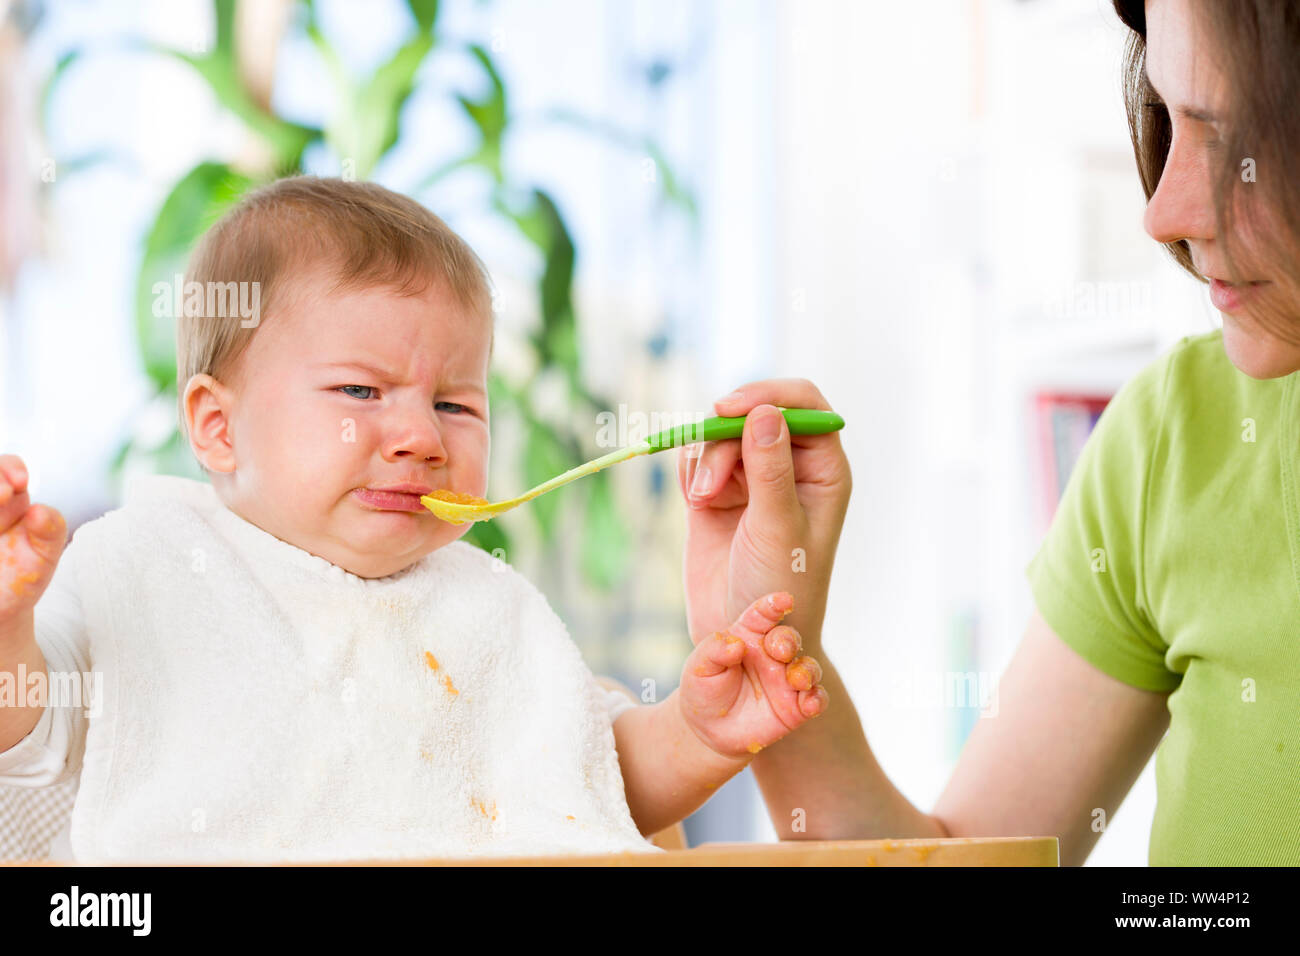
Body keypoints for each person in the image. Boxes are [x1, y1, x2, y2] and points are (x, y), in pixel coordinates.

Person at [0, 176, 828, 862]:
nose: (423, 438)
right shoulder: (147, 564)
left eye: (455, 404)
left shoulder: (483, 603)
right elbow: (28, 740)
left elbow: (591, 785)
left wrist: (697, 732)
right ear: (218, 426)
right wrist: (7, 619)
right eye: (361, 392)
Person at [679, 0, 1300, 866]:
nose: (1164, 213)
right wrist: (767, 635)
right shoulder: (1172, 438)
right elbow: (967, 860)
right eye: (1171, 118)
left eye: (1226, 134)